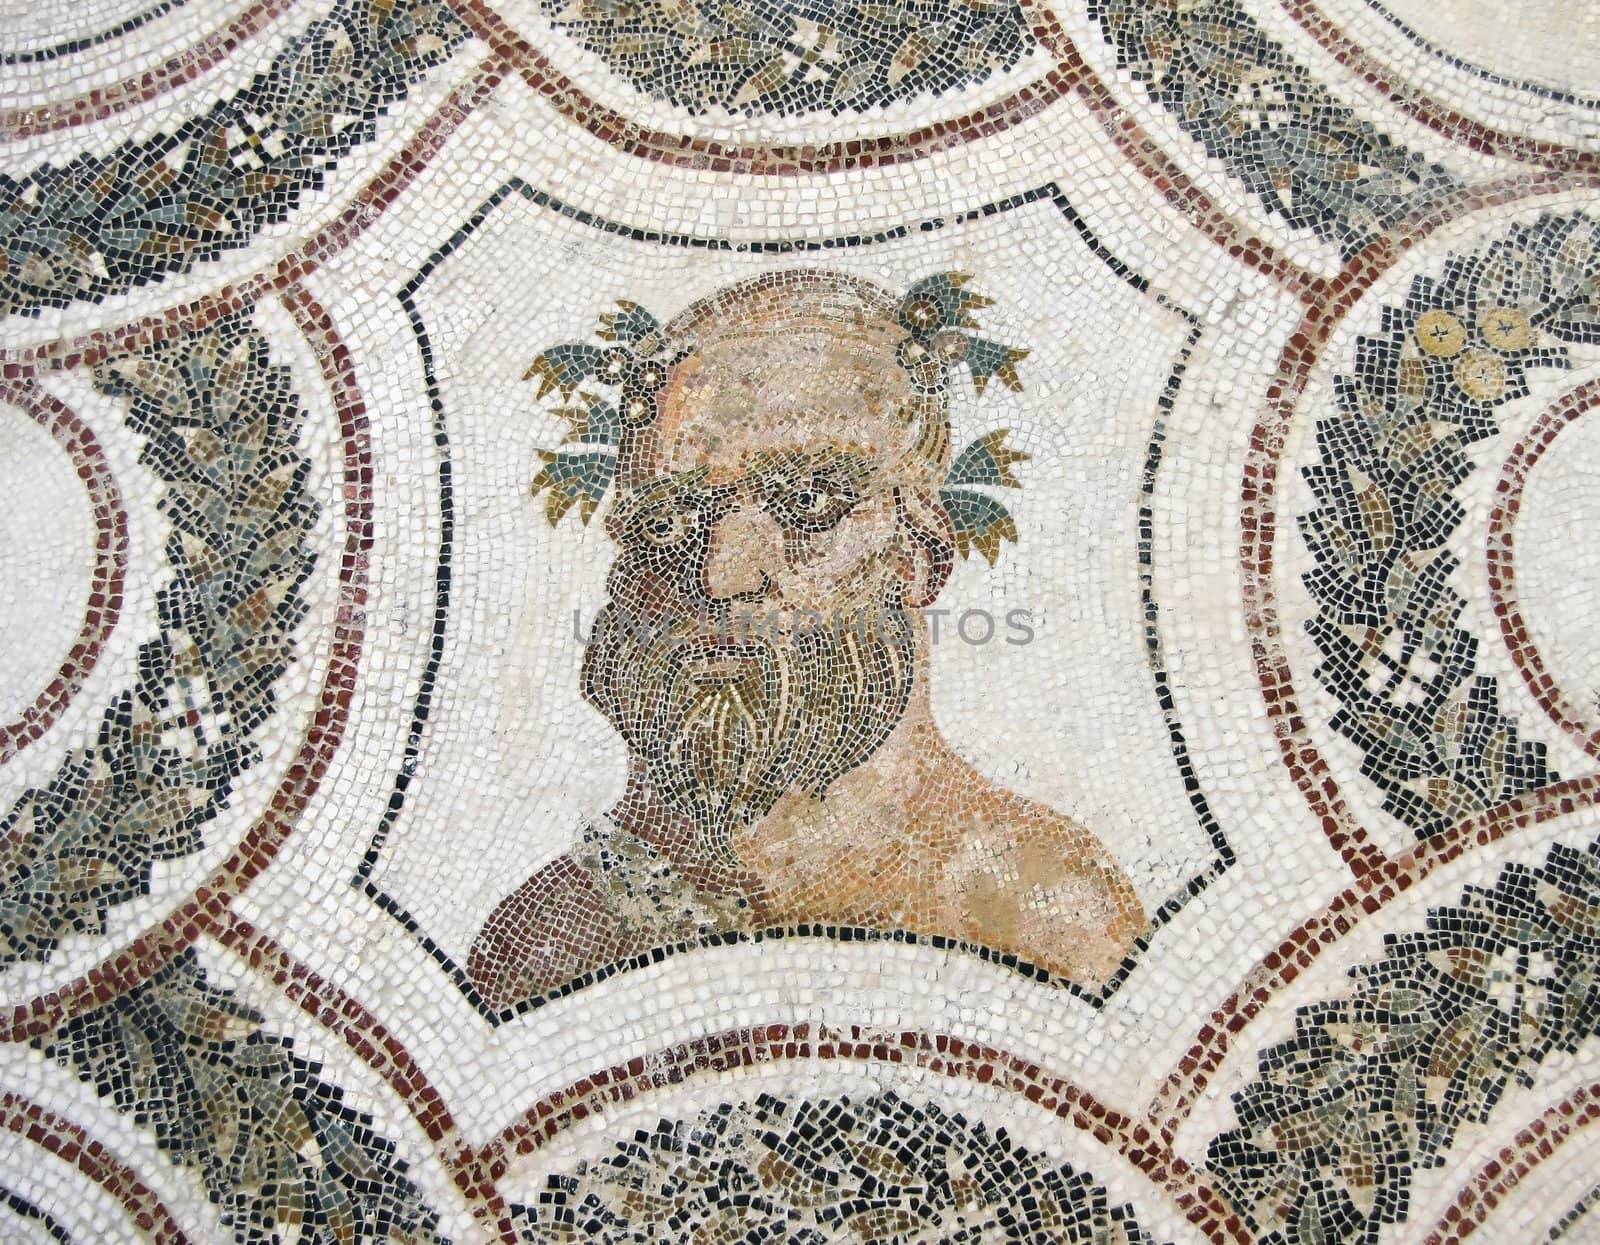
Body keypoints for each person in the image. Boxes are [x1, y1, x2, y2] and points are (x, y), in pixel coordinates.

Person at [467, 271, 1145, 1010]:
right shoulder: (548, 944)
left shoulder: (1049, 908)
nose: (723, 574)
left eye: (809, 503)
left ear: (918, 551)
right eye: (672, 518)